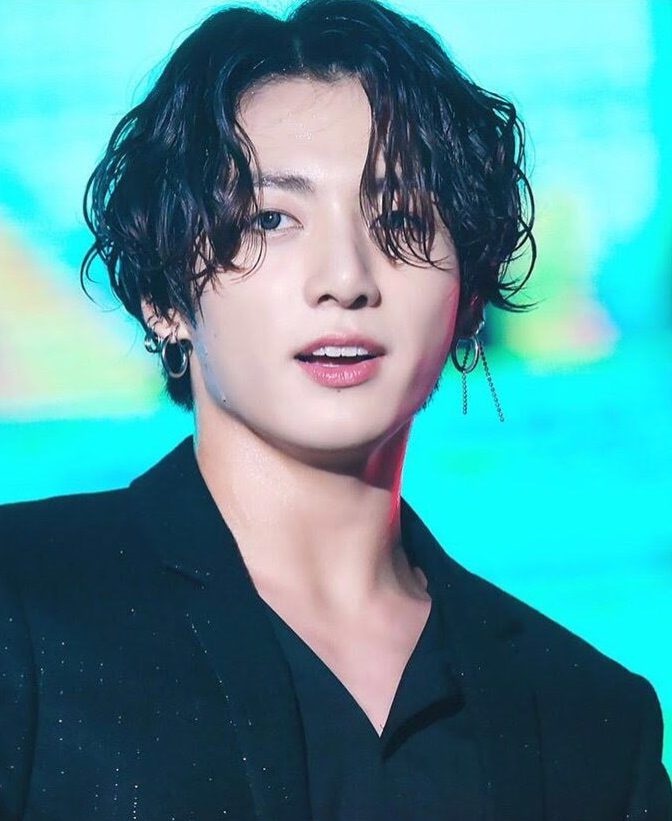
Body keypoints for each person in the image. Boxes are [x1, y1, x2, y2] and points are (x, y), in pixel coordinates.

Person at [0, 0, 670, 818]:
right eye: (272, 218)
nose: (346, 278)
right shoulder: (24, 611)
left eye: (400, 219)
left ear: (467, 297)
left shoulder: (589, 718)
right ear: (162, 297)